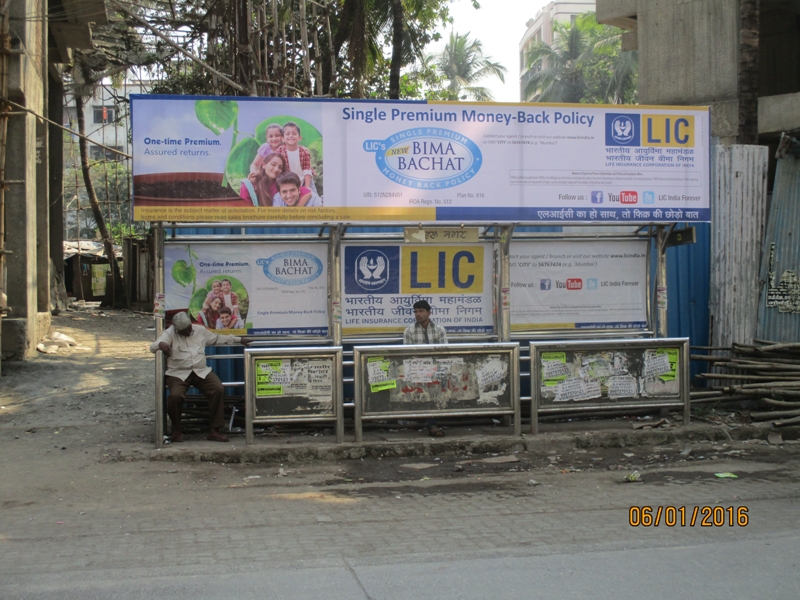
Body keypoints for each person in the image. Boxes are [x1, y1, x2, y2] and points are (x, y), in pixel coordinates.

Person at [150, 312, 248, 443]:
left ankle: (215, 430)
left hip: (200, 370)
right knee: (175, 396)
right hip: (178, 373)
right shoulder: (170, 332)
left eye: (189, 328)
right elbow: (154, 346)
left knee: (217, 389)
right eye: (184, 331)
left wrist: (239, 339)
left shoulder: (199, 330)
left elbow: (218, 338)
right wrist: (161, 345)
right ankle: (176, 430)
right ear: (177, 329)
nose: (188, 332)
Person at [403, 299, 448, 437]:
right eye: (416, 311)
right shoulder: (409, 331)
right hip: (417, 370)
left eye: (421, 311)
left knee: (439, 387)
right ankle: (430, 423)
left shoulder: (439, 330)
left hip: (436, 370)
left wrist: (434, 368)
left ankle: (432, 422)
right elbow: (408, 355)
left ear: (429, 312)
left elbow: (444, 352)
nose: (418, 314)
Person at [276, 121, 315, 191]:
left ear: (299, 138)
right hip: (287, 183)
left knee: (313, 197)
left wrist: (307, 187)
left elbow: (307, 170)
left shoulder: (304, 151)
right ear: (283, 138)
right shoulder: (279, 151)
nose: (291, 136)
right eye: (287, 134)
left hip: (304, 181)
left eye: (294, 134)